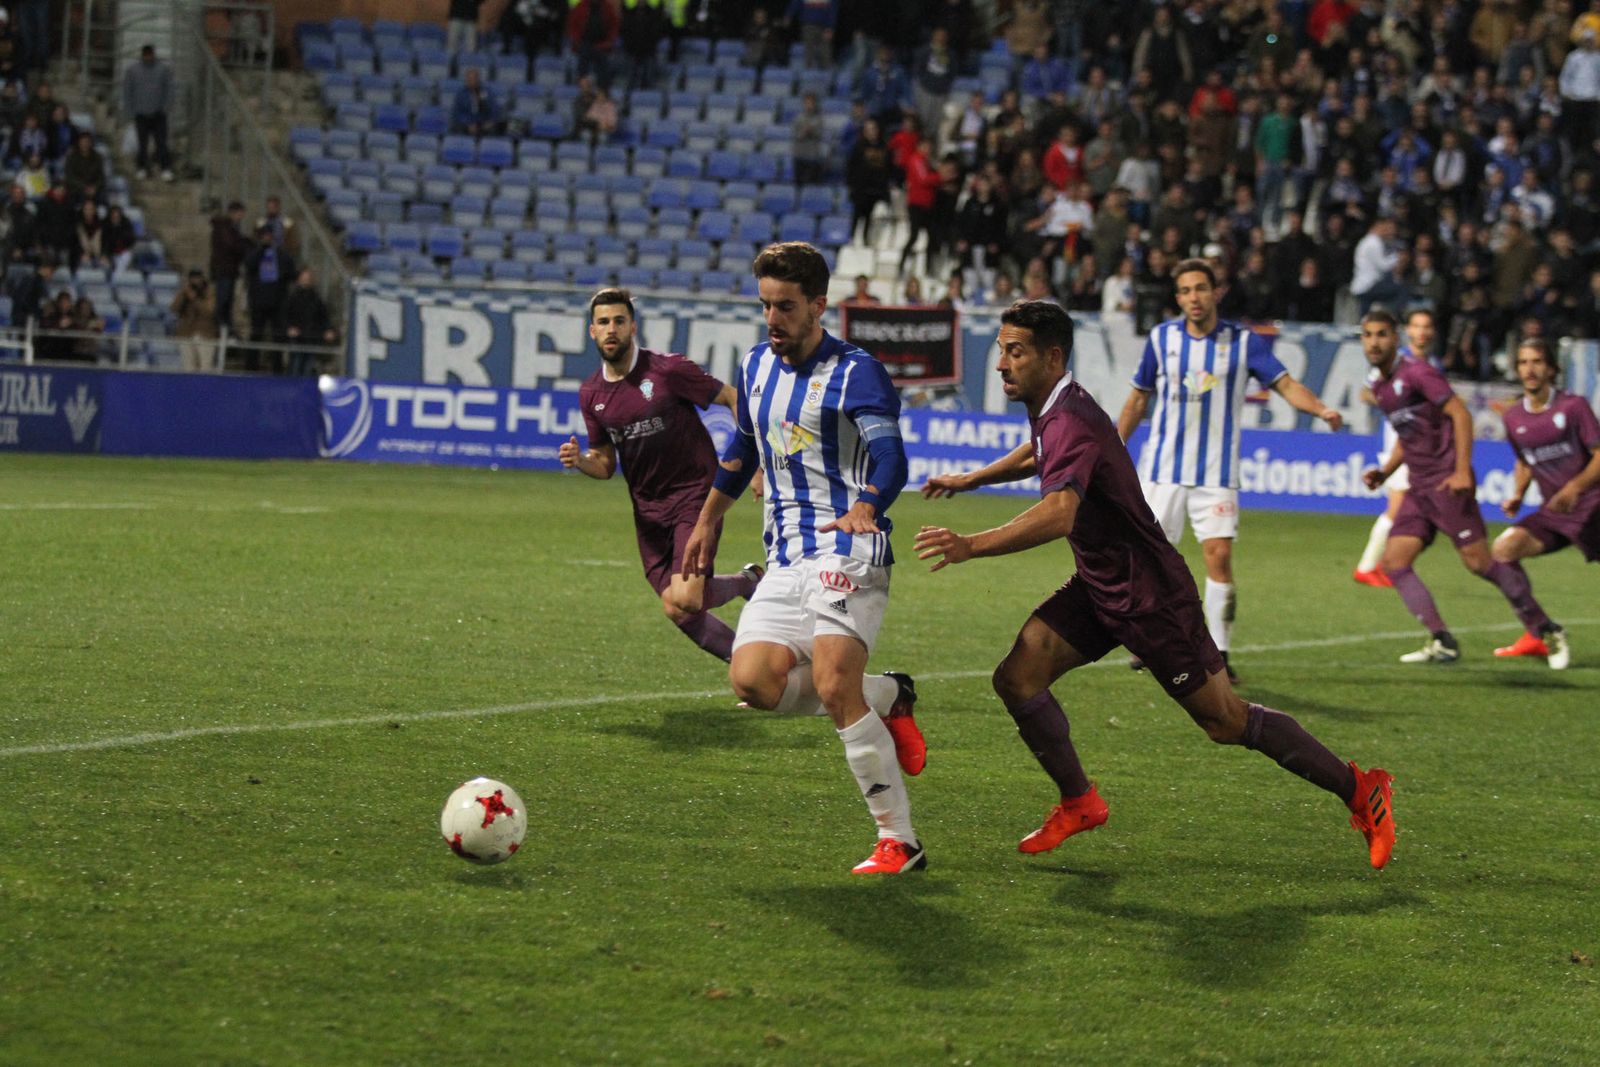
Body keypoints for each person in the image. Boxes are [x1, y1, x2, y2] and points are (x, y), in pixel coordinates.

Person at [914, 300, 1395, 870]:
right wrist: (974, 478)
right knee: (1018, 677)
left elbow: (1059, 513)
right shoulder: (1055, 407)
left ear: (1052, 356)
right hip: (1100, 585)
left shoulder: (1068, 416)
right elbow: (1039, 453)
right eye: (1000, 350)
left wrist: (972, 544)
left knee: (1225, 721)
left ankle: (1360, 788)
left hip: (1151, 597)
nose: (1001, 364)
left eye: (1014, 352)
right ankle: (1080, 801)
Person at [681, 242, 928, 876]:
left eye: (786, 307)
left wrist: (868, 502)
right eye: (765, 305)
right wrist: (709, 517)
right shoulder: (755, 366)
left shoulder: (858, 372)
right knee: (754, 682)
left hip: (850, 545)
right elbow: (742, 446)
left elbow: (892, 458)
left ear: (819, 304)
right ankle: (889, 696)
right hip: (786, 555)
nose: (773, 320)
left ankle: (899, 840)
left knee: (831, 684)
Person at [1116, 258, 1344, 682]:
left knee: (1218, 557)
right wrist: (1113, 445)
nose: (1193, 298)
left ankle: (1218, 652)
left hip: (1217, 474)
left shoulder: (1243, 342)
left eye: (1200, 288)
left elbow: (1286, 385)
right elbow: (1138, 399)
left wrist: (1321, 408)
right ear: (1178, 297)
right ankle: (1151, 642)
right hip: (1163, 471)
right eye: (1184, 291)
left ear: (1215, 291)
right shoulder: (1162, 338)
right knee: (1152, 560)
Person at [560, 288, 764, 663]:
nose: (611, 330)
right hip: (648, 513)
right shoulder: (591, 393)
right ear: (592, 331)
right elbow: (604, 464)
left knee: (687, 597)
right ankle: (755, 668)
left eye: (619, 321)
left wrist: (755, 460)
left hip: (696, 496)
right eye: (603, 322)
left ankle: (746, 585)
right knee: (677, 608)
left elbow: (734, 397)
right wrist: (580, 462)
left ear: (633, 327)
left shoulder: (667, 370)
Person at [1359, 310, 1566, 665]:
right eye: (1367, 335)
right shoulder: (1381, 387)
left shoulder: (1418, 373)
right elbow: (1409, 437)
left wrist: (1461, 471)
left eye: (1381, 334)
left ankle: (1544, 627)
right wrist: (1385, 471)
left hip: (1446, 484)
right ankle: (1442, 639)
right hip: (1418, 489)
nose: (1374, 342)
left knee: (1480, 563)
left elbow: (1460, 413)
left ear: (1396, 338)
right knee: (1394, 563)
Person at [1490, 340, 1599, 666]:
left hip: (1593, 507)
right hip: (1555, 513)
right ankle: (1541, 631)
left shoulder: (1573, 407)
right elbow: (1525, 461)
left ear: (1551, 368)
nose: (1530, 369)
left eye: (1537, 361)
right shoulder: (1513, 418)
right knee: (1503, 550)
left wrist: (1575, 488)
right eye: (1523, 362)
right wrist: (1518, 494)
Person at [1354, 307, 1435, 588]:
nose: (1421, 331)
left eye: (1426, 326)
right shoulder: (1395, 360)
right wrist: (1396, 403)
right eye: (1416, 326)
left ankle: (1383, 565)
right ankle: (1368, 566)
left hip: (1422, 442)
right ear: (1407, 332)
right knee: (1397, 507)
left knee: (1406, 507)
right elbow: (1365, 392)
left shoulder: (1432, 364)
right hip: (1397, 441)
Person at [243, 225, 295, 372]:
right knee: (256, 333)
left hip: (277, 302)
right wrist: (261, 249)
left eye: (269, 235)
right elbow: (249, 265)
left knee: (278, 336)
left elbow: (291, 272)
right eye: (264, 235)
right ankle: (251, 367)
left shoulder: (281, 255)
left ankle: (277, 368)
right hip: (258, 301)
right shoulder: (255, 253)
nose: (267, 238)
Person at [122, 45, 174, 181]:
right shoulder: (132, 71)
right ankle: (141, 168)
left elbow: (169, 89)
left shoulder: (163, 69)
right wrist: (130, 111)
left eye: (150, 55)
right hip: (141, 113)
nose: (148, 58)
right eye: (146, 56)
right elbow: (128, 91)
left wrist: (165, 107)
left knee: (161, 142)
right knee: (142, 143)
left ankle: (166, 168)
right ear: (143, 55)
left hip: (158, 113)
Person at [282, 268, 337, 376]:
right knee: (295, 367)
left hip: (312, 339)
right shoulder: (292, 297)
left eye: (308, 279)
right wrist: (289, 328)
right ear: (299, 279)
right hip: (297, 340)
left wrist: (328, 329)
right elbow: (284, 316)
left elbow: (324, 317)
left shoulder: (316, 298)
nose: (306, 281)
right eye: (304, 278)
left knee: (308, 369)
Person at [210, 201, 250, 334]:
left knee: (227, 302)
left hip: (230, 270)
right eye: (240, 214)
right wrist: (245, 245)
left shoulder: (231, 228)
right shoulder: (224, 227)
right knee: (223, 301)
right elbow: (232, 245)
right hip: (224, 269)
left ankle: (227, 329)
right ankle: (221, 328)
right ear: (233, 212)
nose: (241, 217)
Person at [171, 268, 218, 373]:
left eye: (197, 278)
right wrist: (183, 295)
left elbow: (209, 312)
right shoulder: (184, 292)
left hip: (205, 333)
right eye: (192, 278)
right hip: (186, 332)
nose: (195, 281)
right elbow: (174, 308)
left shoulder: (210, 292)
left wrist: (195, 299)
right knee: (188, 367)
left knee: (206, 367)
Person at [450, 68, 503, 137]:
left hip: (483, 123)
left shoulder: (487, 92)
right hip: (466, 124)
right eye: (468, 79)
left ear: (478, 79)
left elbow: (494, 109)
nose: (470, 81)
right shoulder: (461, 94)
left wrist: (491, 121)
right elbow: (457, 113)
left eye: (472, 79)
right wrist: (468, 124)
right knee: (457, 127)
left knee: (496, 127)